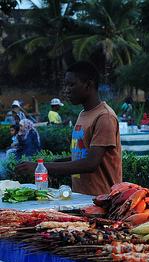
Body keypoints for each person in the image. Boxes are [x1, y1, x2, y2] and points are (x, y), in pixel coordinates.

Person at [14, 60, 122, 196]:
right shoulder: (83, 114)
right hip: (83, 198)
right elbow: (82, 155)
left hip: (103, 199)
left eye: (71, 85)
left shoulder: (104, 116)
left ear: (88, 86)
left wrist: (40, 167)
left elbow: (91, 163)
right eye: (66, 85)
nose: (67, 90)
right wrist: (55, 163)